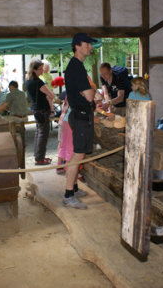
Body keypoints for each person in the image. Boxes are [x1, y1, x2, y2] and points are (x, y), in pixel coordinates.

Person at [63, 33, 97, 209]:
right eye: (88, 44)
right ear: (77, 46)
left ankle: (74, 188)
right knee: (77, 155)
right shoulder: (76, 67)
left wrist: (90, 89)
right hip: (81, 115)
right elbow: (90, 96)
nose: (90, 47)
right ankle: (68, 195)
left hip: (81, 114)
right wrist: (92, 88)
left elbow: (89, 93)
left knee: (80, 154)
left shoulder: (77, 66)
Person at [25, 59, 55, 165]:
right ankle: (40, 158)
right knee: (43, 134)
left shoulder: (28, 80)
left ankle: (38, 156)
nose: (42, 71)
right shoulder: (38, 82)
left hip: (36, 109)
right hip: (42, 110)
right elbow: (51, 95)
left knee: (38, 133)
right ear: (34, 69)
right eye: (40, 69)